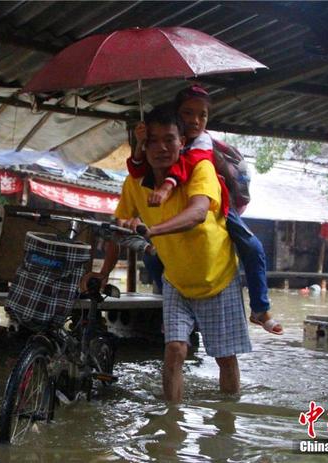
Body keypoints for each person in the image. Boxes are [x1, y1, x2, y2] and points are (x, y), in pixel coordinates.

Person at [83, 106, 251, 402]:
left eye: (169, 140)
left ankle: (228, 420)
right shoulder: (133, 183)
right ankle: (171, 422)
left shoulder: (201, 169)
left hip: (218, 279)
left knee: (224, 358)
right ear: (143, 146)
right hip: (176, 279)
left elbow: (198, 213)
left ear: (182, 142)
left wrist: (152, 230)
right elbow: (119, 230)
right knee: (174, 350)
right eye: (154, 141)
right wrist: (103, 273)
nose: (161, 148)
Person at [127, 85, 283, 335]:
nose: (196, 121)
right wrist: (140, 144)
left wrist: (167, 186)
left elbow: (189, 165)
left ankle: (259, 308)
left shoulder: (201, 141)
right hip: (170, 210)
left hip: (211, 204)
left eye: (203, 115)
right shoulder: (164, 138)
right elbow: (137, 172)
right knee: (152, 257)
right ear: (176, 114)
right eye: (188, 114)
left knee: (253, 247)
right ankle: (172, 303)